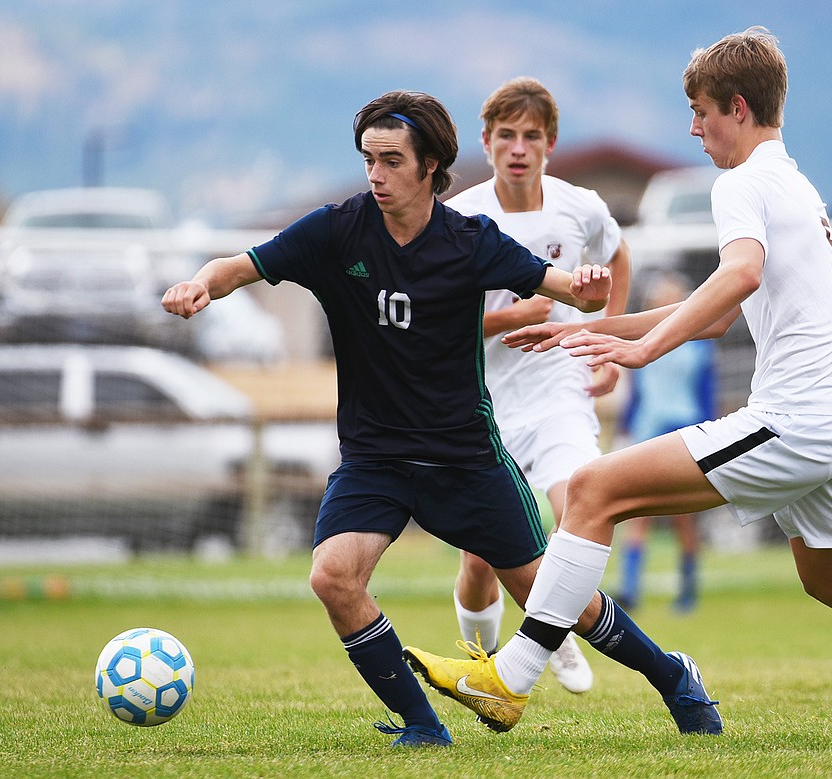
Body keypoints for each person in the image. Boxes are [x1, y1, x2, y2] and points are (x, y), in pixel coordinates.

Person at [404, 27, 832, 740]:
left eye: (701, 111)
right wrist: (600, 331)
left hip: (797, 419)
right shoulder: (790, 181)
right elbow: (720, 314)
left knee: (591, 491)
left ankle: (510, 679)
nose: (693, 127)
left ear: (736, 108)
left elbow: (734, 276)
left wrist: (642, 349)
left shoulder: (739, 181)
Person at [162, 90, 715, 747]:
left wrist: (588, 287)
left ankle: (671, 673)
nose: (375, 174)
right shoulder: (337, 230)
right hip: (375, 458)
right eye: (368, 159)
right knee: (333, 577)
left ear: (431, 166)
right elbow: (243, 265)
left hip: (466, 459)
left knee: (559, 596)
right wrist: (202, 281)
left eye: (391, 160)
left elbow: (559, 284)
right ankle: (423, 724)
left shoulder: (470, 242)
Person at [443, 76, 632, 695]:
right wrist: (508, 318)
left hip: (558, 391)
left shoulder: (580, 208)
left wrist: (611, 343)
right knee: (480, 561)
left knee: (577, 503)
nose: (518, 147)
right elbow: (434, 316)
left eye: (531, 136)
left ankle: (553, 635)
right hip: (482, 405)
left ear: (550, 143)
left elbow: (618, 258)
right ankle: (485, 664)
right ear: (487, 141)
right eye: (506, 135)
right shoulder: (461, 217)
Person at [614, 271, 714, 613]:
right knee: (635, 511)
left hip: (685, 431)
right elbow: (637, 393)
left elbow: (705, 393)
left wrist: (708, 432)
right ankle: (629, 589)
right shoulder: (645, 338)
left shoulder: (700, 342)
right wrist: (626, 429)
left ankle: (687, 590)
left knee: (683, 516)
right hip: (647, 430)